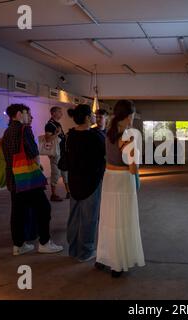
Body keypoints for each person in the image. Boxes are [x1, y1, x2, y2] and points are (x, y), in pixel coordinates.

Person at [2, 104, 63, 256]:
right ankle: (44, 243)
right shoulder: (25, 129)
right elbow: (33, 152)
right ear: (18, 114)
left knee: (17, 212)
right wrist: (38, 166)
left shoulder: (7, 131)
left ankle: (18, 245)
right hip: (27, 178)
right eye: (27, 113)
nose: (31, 117)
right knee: (44, 208)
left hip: (13, 178)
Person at [96, 100, 145, 278]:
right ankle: (118, 264)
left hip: (109, 177)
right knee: (122, 221)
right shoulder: (128, 136)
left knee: (108, 219)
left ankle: (103, 257)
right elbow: (133, 168)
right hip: (123, 180)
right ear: (128, 116)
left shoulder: (108, 132)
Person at [65, 104, 106, 262]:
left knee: (74, 216)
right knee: (89, 218)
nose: (96, 117)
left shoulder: (71, 135)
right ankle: (85, 251)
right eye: (93, 115)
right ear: (88, 118)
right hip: (91, 182)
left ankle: (73, 249)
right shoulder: (95, 136)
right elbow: (105, 155)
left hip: (74, 181)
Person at [45, 106, 70, 201]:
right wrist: (57, 133)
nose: (61, 114)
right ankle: (53, 194)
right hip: (56, 153)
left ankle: (68, 192)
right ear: (53, 113)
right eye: (59, 112)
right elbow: (48, 139)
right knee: (56, 173)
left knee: (65, 172)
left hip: (62, 152)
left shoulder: (56, 124)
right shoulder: (49, 125)